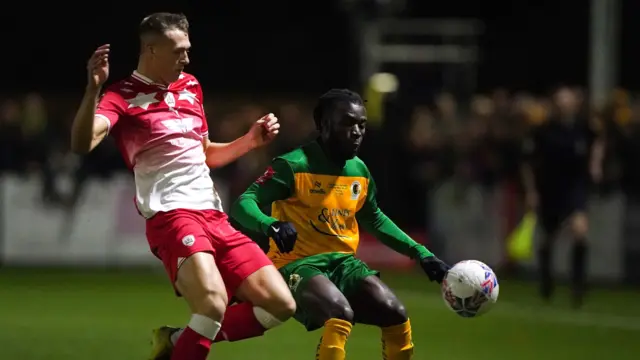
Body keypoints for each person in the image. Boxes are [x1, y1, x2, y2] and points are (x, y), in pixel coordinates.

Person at [69, 12, 296, 360]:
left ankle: (177, 342)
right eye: (178, 51)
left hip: (214, 215)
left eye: (187, 49)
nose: (186, 58)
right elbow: (82, 143)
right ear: (151, 49)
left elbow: (204, 154)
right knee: (212, 303)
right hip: (172, 216)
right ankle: (186, 342)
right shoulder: (122, 95)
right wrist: (92, 90)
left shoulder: (191, 86)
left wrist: (249, 141)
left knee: (280, 305)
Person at [231, 89, 450, 360]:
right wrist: (271, 225)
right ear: (323, 126)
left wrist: (421, 253)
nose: (357, 131)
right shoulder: (294, 165)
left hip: (344, 265)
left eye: (361, 124)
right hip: (296, 264)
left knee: (396, 314)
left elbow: (375, 218)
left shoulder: (359, 171)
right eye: (348, 123)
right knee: (339, 314)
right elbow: (244, 203)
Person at [521, 86, 604, 308]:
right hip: (550, 188)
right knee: (548, 239)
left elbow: (598, 142)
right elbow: (528, 163)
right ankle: (546, 281)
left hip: (575, 188)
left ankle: (578, 285)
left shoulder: (583, 127)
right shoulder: (543, 131)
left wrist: (595, 164)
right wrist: (531, 192)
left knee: (580, 231)